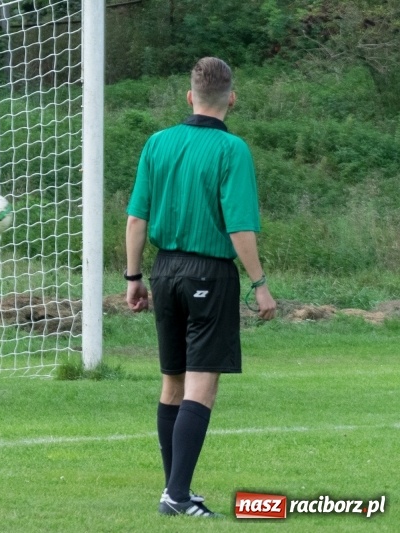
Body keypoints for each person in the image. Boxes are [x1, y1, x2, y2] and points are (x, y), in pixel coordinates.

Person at [125, 57, 277, 517]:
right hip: (208, 273)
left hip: (163, 270)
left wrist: (133, 277)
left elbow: (136, 218)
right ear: (231, 98)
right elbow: (239, 229)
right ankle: (176, 495)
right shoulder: (233, 151)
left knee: (172, 382)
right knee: (201, 385)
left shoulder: (158, 142)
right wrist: (261, 284)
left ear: (190, 96)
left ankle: (177, 490)